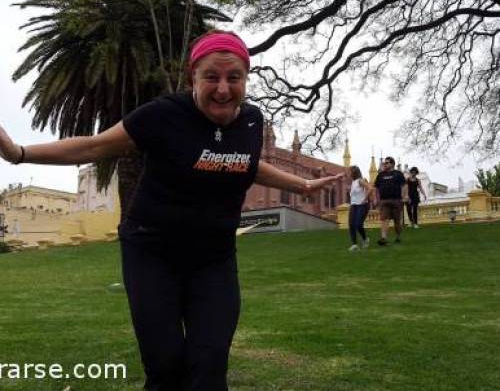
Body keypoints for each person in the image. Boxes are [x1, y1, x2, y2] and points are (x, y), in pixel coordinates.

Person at [0, 30, 344, 391]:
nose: (223, 89)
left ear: (246, 79)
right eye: (211, 77)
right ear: (192, 77)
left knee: (209, 367)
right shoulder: (163, 116)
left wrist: (300, 185)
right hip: (152, 254)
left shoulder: (252, 121)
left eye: (234, 78)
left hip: (213, 259)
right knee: (165, 368)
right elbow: (93, 148)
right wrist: (20, 154)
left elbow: (245, 162)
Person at [374, 156, 408, 245]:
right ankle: (383, 238)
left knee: (397, 221)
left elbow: (404, 185)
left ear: (392, 164)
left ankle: (398, 236)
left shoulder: (398, 174)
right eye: (384, 163)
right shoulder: (380, 175)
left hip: (396, 200)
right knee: (384, 219)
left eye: (387, 163)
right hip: (384, 201)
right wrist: (375, 198)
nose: (385, 164)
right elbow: (376, 188)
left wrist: (405, 196)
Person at [347, 166, 373, 251]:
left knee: (358, 224)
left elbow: (370, 188)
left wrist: (365, 199)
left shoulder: (360, 180)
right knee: (351, 224)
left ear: (354, 172)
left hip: (362, 205)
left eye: (350, 171)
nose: (348, 173)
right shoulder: (353, 182)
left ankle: (365, 239)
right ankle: (354, 245)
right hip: (353, 205)